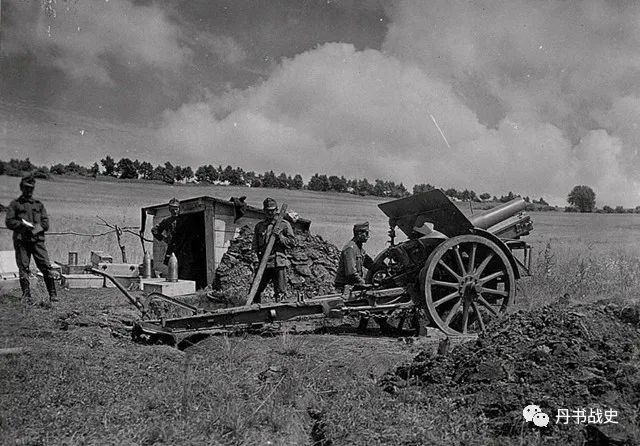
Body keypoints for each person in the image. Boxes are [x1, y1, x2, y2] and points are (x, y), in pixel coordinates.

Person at [5, 173, 57, 303]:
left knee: (45, 266)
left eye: (31, 188)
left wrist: (34, 230)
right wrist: (23, 226)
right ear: (21, 187)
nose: (28, 190)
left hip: (37, 241)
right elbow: (9, 221)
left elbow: (45, 224)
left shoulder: (39, 205)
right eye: (26, 187)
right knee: (23, 267)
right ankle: (26, 296)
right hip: (21, 241)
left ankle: (53, 295)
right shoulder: (15, 205)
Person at [251, 198, 296, 303]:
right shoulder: (259, 226)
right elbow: (254, 246)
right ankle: (255, 311)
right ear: (264, 211)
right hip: (263, 263)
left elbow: (292, 243)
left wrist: (280, 236)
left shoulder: (284, 224)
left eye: (272, 210)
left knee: (280, 292)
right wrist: (255, 261)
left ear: (276, 210)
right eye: (268, 210)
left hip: (278, 263)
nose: (270, 213)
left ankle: (280, 314)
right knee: (255, 290)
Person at [334, 222, 375, 292]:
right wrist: (363, 283)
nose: (368, 236)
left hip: (352, 285)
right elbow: (351, 273)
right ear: (359, 234)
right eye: (366, 233)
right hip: (343, 288)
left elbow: (371, 264)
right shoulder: (350, 249)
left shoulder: (360, 249)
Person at [151, 198, 184, 266]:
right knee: (171, 268)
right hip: (172, 248)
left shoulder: (185, 220)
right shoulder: (167, 221)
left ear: (179, 209)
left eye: (176, 209)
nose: (174, 211)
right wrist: (163, 238)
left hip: (184, 248)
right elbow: (154, 230)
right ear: (169, 210)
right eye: (172, 209)